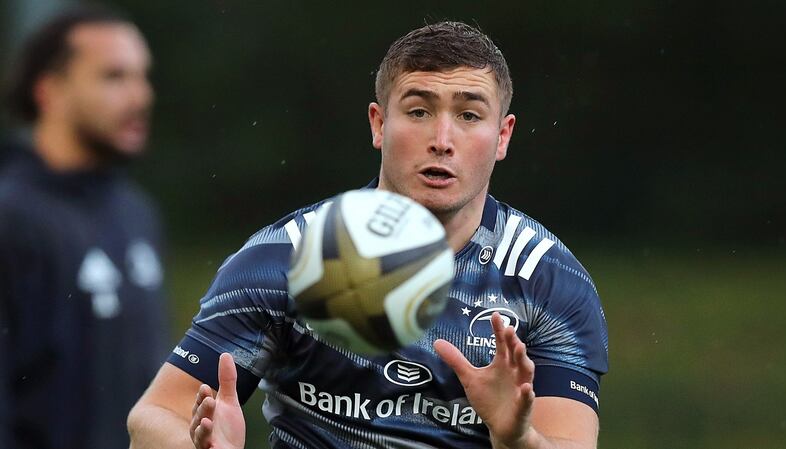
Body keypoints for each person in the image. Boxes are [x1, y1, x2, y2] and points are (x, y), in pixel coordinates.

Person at [128, 21, 608, 449]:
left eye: (468, 115)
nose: (442, 138)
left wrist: (516, 437)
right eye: (418, 111)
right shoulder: (289, 258)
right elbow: (153, 417)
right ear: (379, 124)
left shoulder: (548, 280)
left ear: (502, 136)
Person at [0, 6, 168, 449]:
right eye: (114, 77)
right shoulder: (10, 217)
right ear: (49, 90)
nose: (140, 96)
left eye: (142, 76)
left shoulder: (137, 213)